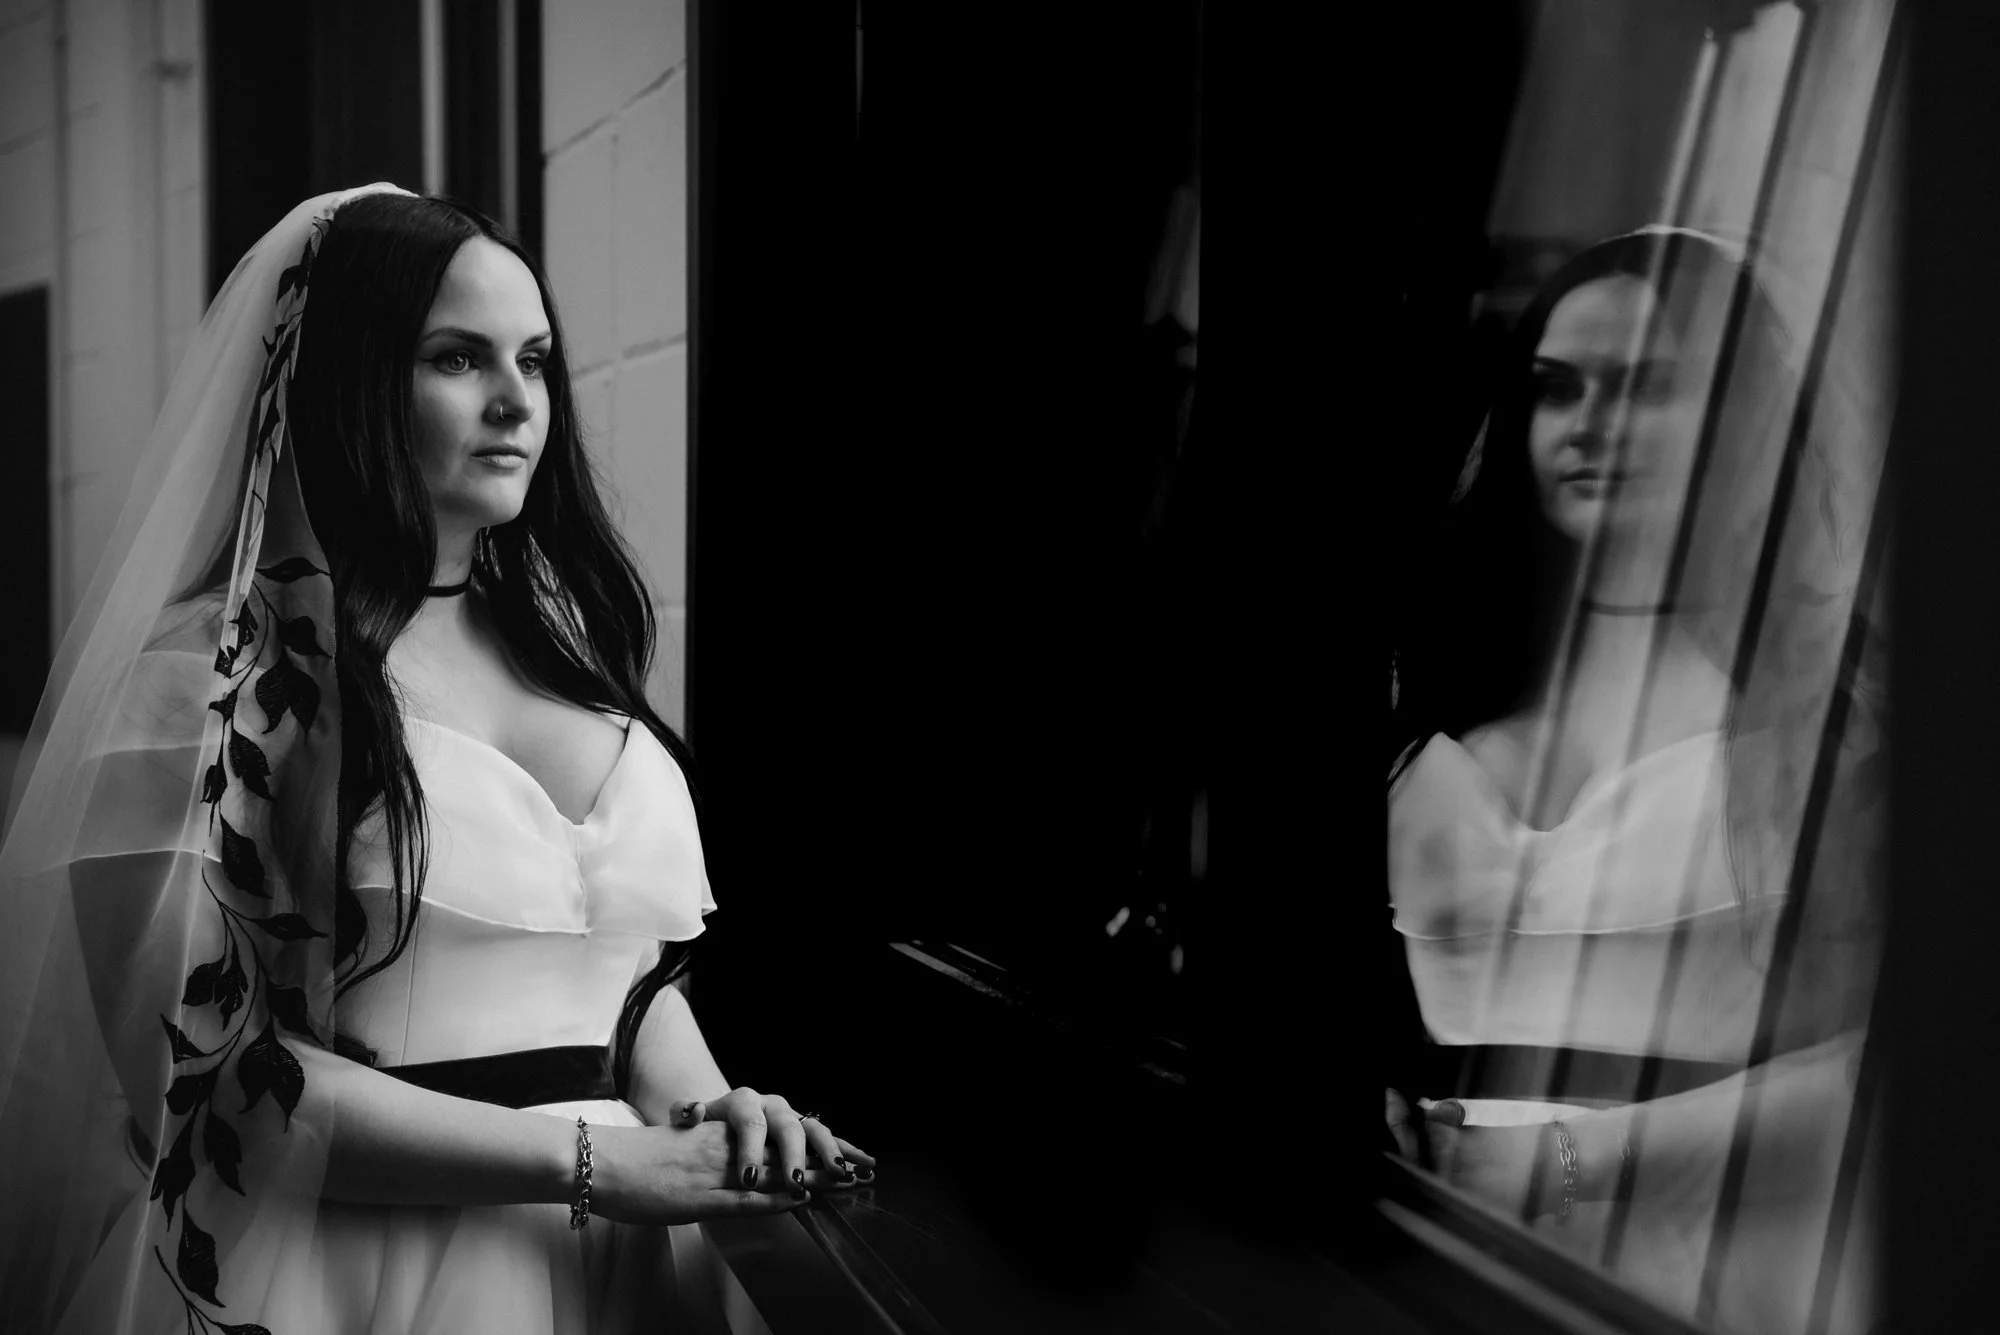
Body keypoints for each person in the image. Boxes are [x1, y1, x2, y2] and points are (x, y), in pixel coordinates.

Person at [0, 185, 872, 1334]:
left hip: (638, 1270)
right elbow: (209, 1086)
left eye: (538, 360)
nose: (518, 402)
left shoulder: (566, 651)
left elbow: (613, 980)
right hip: (358, 1275)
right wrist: (594, 1168)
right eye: (458, 359)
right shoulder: (197, 691)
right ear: (350, 381)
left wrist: (721, 1121)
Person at [1385, 228, 1885, 1332]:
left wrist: (1564, 1159)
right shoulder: (1434, 694)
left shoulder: (1829, 724)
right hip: (1419, 1252)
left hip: (1700, 1272)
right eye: (1554, 390)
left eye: (1645, 388)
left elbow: (1896, 1069)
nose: (1589, 427)